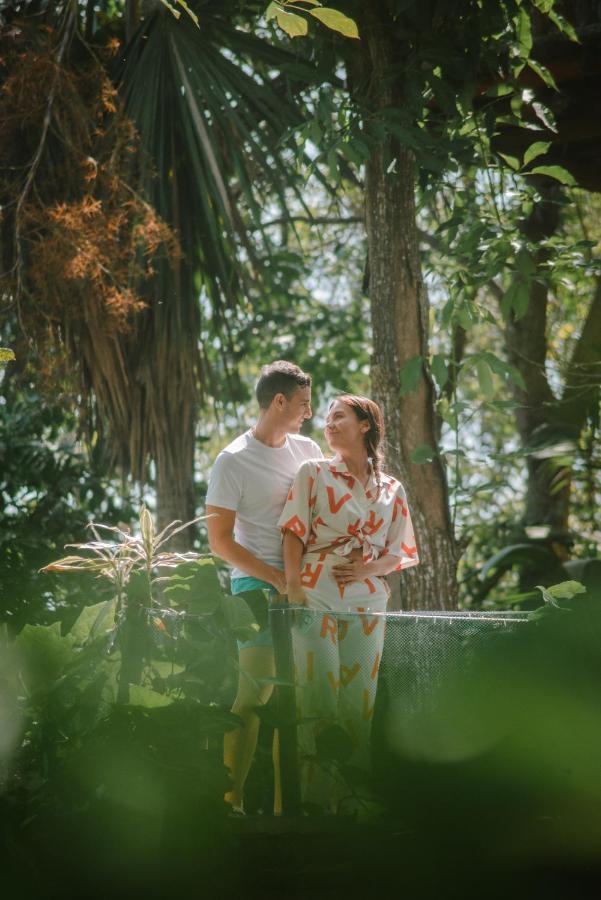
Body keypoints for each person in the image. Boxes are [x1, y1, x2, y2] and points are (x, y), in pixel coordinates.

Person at [278, 394, 419, 812]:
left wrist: (366, 572)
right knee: (318, 695)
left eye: (339, 416)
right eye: (326, 418)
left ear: (364, 425)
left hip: (369, 599)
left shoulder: (392, 488)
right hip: (315, 591)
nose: (329, 424)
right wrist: (293, 587)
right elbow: (293, 532)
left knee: (360, 701)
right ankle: (315, 804)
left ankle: (351, 805)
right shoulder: (314, 473)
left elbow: (401, 551)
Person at [206, 361, 322, 814]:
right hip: (256, 586)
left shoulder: (307, 450)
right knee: (254, 697)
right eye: (303, 405)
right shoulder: (233, 460)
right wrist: (277, 579)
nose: (308, 414)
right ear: (279, 402)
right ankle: (230, 806)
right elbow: (219, 542)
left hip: (305, 586)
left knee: (299, 702)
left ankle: (284, 811)